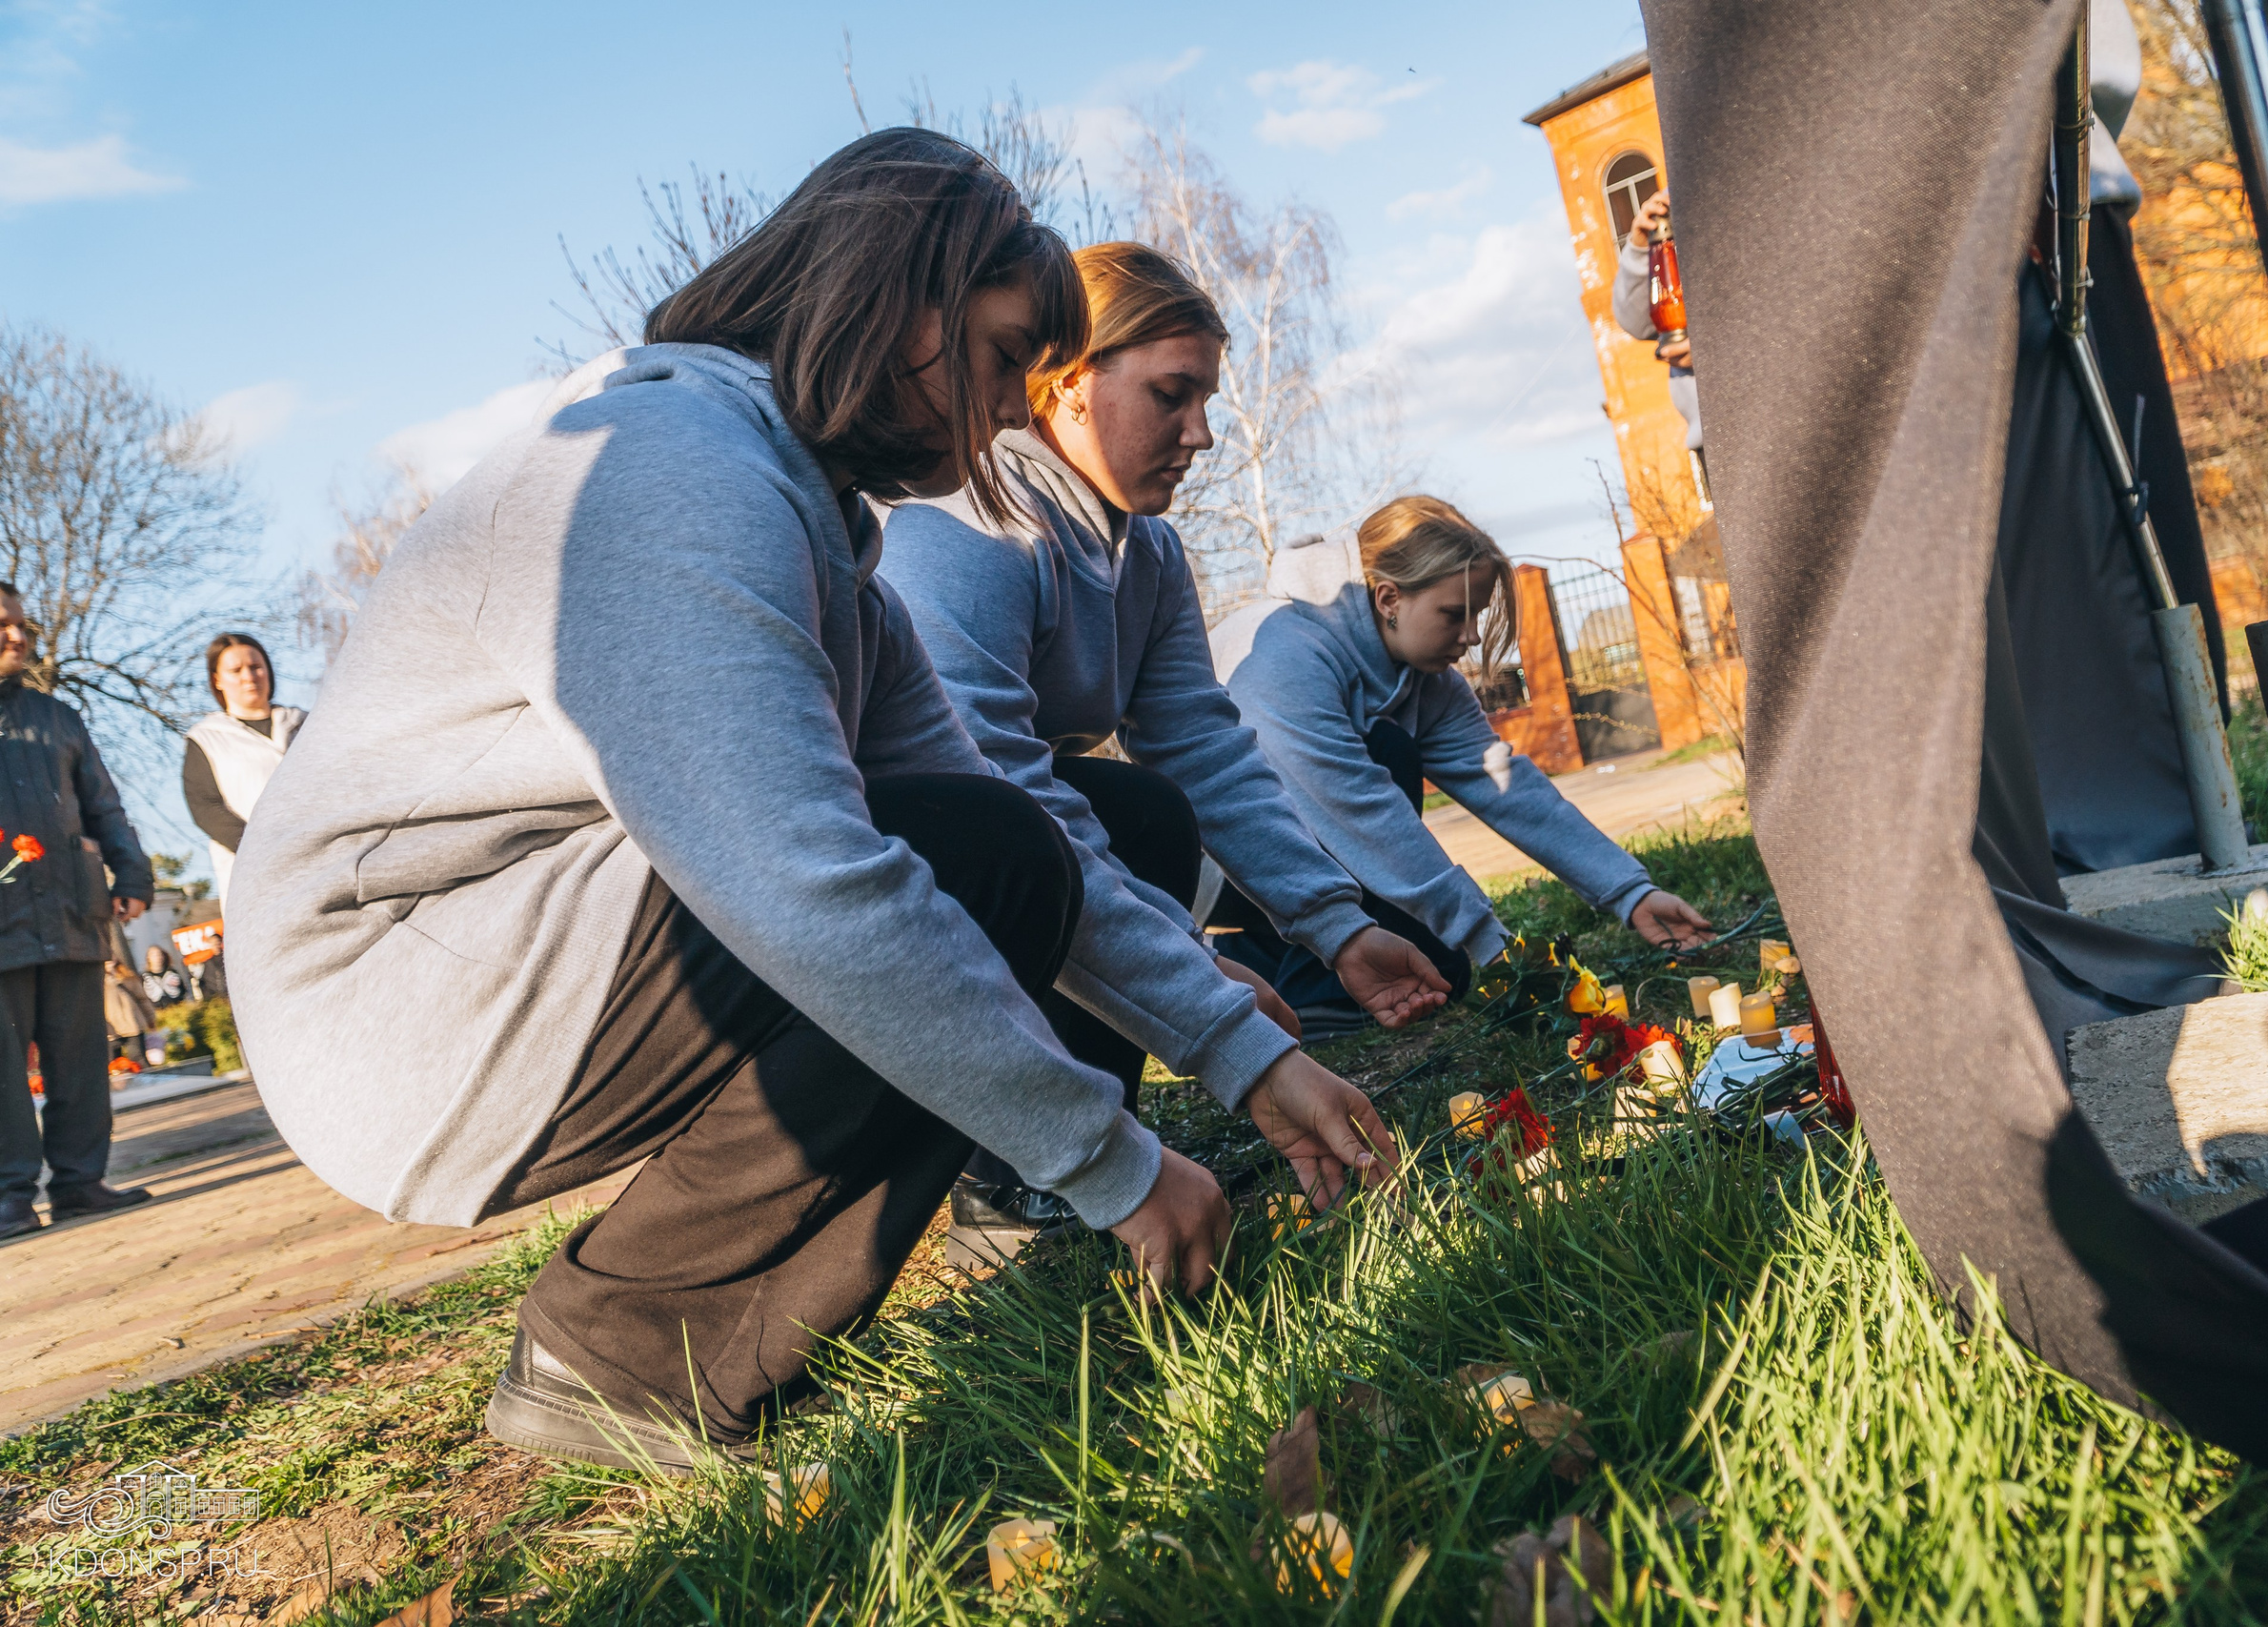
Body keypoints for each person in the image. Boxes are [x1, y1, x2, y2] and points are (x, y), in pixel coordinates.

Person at [228, 131, 1397, 1471]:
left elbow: (1023, 833)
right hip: (391, 996)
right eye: (1009, 351)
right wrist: (1114, 1161)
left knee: (1009, 848)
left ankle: (683, 1328)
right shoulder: (671, 472)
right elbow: (814, 891)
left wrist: (1245, 1053)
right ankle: (627, 1355)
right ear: (899, 302)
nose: (1020, 404)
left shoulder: (821, 531)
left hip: (512, 943)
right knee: (940, 870)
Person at [880, 240, 1448, 1229]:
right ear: (1061, 384)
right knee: (1114, 813)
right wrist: (1188, 960)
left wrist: (1337, 924)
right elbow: (995, 780)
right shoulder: (963, 530)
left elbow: (1203, 747)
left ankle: (1089, 1144)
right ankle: (1012, 1171)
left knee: (1150, 804)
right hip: (891, 872)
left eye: (1208, 403)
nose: (1202, 435)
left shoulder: (1148, 550)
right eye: (1171, 396)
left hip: (1003, 831)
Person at [1208, 498, 1715, 1009]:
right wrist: (1489, 942)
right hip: (1214, 870)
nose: (1471, 637)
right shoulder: (1282, 656)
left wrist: (1631, 893)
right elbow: (1359, 808)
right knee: (1388, 753)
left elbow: (1507, 788)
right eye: (1454, 615)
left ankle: (1288, 969)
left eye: (1478, 615)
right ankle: (1314, 994)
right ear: (1388, 599)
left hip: (1301, 863)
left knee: (1443, 969)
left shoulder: (1429, 681)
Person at [0, 584, 156, 1239]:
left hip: (70, 908)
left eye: (19, 625)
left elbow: (103, 805)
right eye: (1, 627)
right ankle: (9, 1194)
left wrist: (134, 870)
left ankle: (79, 1181)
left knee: (80, 1053)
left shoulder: (59, 717)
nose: (17, 636)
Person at [184, 632, 307, 906]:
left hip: (328, 861)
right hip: (257, 877)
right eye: (235, 670)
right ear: (217, 679)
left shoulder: (308, 724)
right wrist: (264, 849)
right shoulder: (206, 739)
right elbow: (205, 807)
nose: (248, 676)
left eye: (255, 666)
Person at [1612, 187, 1705, 490]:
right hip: (1712, 441)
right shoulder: (1687, 188)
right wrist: (1641, 249)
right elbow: (1636, 321)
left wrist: (1711, 352)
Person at [140, 944, 190, 1009]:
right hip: (158, 1011)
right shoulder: (145, 977)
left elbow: (183, 990)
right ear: (148, 958)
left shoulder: (172, 973)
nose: (158, 958)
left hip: (177, 1009)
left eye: (159, 954)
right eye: (154, 955)